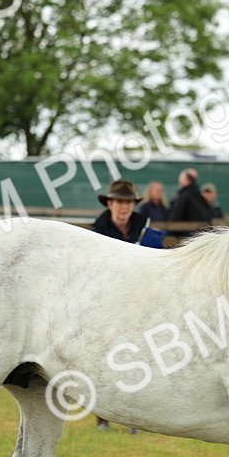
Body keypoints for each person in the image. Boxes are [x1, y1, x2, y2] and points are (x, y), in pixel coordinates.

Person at [90, 179, 150, 432]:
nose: (124, 207)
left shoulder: (142, 226)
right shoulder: (98, 230)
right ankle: (101, 416)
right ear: (110, 204)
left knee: (138, 356)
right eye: (119, 202)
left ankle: (133, 417)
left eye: (128, 202)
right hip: (106, 300)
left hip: (138, 298)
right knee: (101, 359)